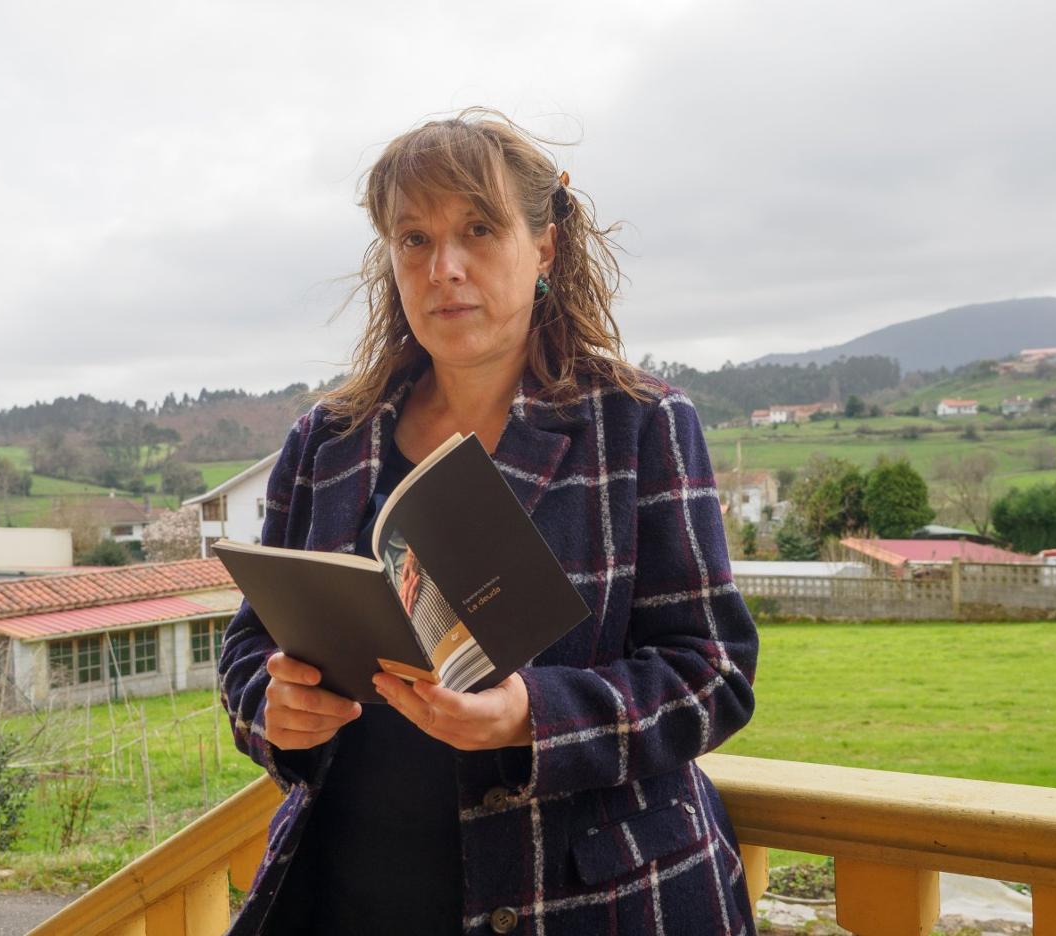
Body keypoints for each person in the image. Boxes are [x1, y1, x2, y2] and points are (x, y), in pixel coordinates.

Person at [219, 109, 760, 935]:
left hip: (592, 906)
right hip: (346, 899)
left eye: (479, 228)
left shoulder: (640, 424)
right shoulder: (327, 440)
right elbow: (250, 643)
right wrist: (270, 708)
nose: (446, 268)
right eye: (414, 239)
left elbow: (713, 674)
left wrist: (530, 716)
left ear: (544, 246)